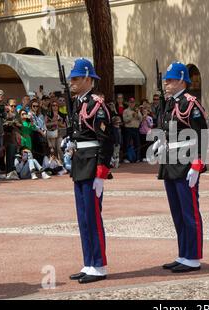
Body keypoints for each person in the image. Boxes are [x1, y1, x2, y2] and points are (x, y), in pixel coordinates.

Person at [154, 62, 207, 273]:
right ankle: (183, 253)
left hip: (186, 161)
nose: (166, 83)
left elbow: (202, 134)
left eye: (170, 79)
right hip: (170, 159)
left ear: (182, 80)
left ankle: (193, 256)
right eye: (166, 80)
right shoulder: (168, 103)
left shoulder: (191, 103)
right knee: (177, 211)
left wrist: (197, 164)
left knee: (189, 211)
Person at [67, 58, 114, 284]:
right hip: (80, 163)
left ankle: (99, 265)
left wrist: (102, 172)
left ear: (87, 78)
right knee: (83, 217)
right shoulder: (78, 103)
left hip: (92, 164)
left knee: (93, 218)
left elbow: (106, 140)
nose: (71, 82)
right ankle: (89, 262)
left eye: (75, 78)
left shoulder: (96, 103)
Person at [122, 97, 142, 163]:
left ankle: (137, 158)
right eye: (130, 102)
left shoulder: (137, 110)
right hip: (128, 128)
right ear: (128, 103)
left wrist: (137, 114)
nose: (132, 104)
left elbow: (141, 119)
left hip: (136, 128)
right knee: (127, 143)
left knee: (137, 143)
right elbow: (125, 120)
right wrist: (132, 116)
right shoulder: (125, 111)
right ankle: (127, 158)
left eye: (133, 102)